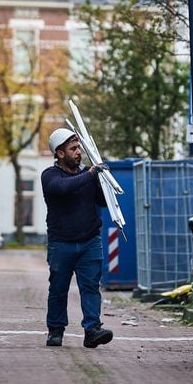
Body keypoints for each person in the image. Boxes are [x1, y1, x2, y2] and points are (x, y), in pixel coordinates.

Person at [40, 127, 113, 348]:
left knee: (90, 286)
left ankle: (92, 330)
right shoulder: (50, 176)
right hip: (61, 243)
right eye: (73, 149)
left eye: (78, 147)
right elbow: (63, 188)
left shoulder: (87, 176)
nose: (78, 152)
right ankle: (56, 330)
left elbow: (101, 201)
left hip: (90, 240)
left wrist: (103, 180)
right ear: (60, 153)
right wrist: (90, 174)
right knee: (59, 288)